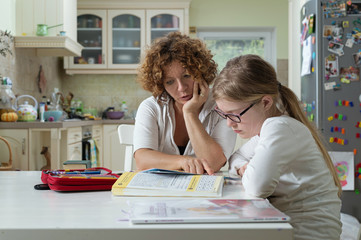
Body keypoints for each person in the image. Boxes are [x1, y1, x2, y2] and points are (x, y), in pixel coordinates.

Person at [212, 54, 342, 240]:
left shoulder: (279, 127)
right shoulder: (269, 130)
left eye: (234, 114)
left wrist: (249, 171)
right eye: (224, 115)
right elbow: (234, 159)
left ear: (265, 102)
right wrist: (244, 169)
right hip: (288, 227)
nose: (229, 124)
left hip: (308, 235)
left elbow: (258, 187)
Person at [134, 32, 236, 175]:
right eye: (170, 81)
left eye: (187, 75)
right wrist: (182, 161)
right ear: (161, 84)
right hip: (162, 190)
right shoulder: (151, 107)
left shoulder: (222, 105)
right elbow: (142, 160)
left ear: (200, 72)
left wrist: (190, 113)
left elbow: (213, 164)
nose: (181, 87)